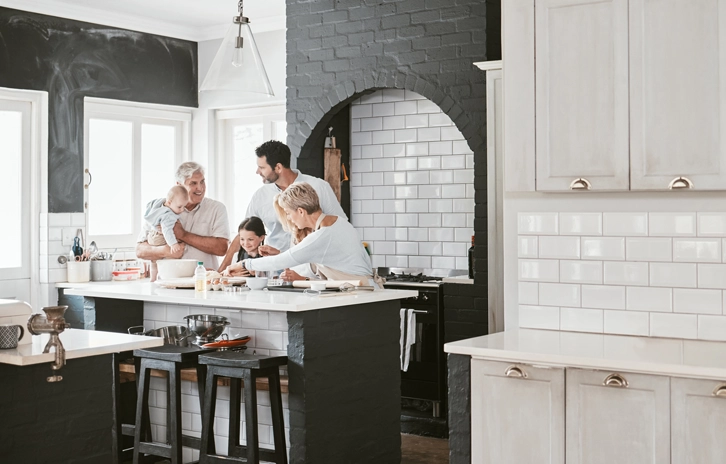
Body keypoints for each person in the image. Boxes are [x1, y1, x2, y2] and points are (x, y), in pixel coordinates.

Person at [217, 140, 346, 272]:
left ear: (278, 167)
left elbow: (338, 226)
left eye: (262, 168)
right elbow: (243, 233)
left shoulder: (319, 187)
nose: (257, 172)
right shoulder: (261, 196)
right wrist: (220, 272)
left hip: (310, 269)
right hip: (274, 270)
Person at [238, 183, 374, 285]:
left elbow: (282, 261)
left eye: (288, 213)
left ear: (301, 211)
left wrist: (244, 264)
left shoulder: (322, 235)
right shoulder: (340, 223)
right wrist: (280, 254)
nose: (289, 219)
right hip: (366, 290)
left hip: (360, 294)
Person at [136, 162, 229, 271]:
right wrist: (165, 251)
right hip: (168, 283)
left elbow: (222, 248)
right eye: (193, 183)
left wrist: (183, 235)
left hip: (203, 281)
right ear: (179, 185)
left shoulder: (217, 208)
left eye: (202, 182)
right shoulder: (161, 208)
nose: (200, 188)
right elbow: (139, 251)